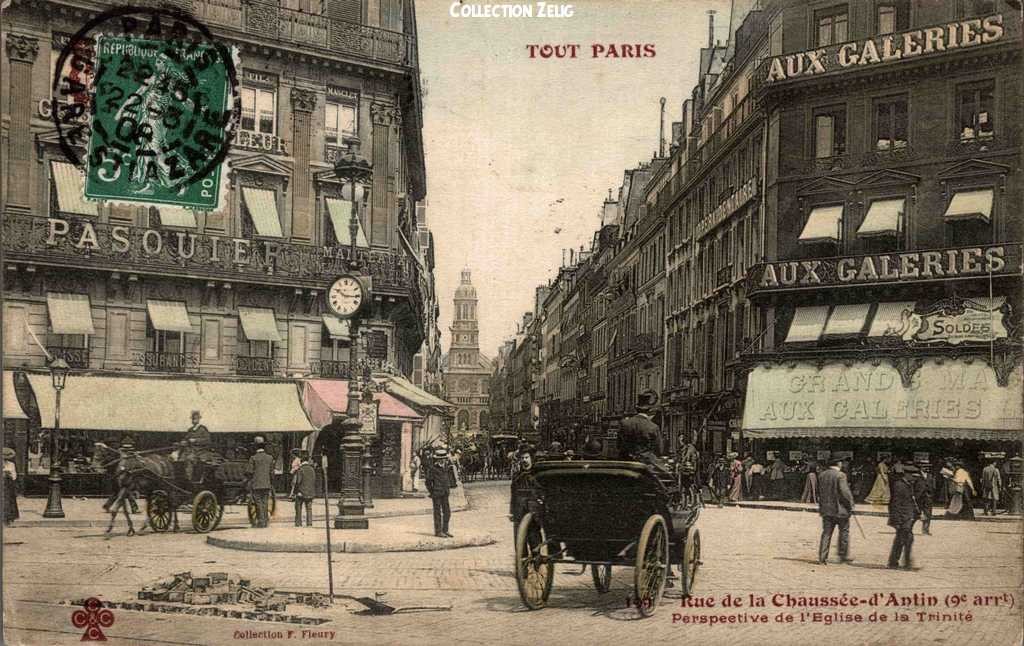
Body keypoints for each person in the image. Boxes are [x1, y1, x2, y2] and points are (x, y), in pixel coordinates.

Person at [817, 457, 855, 565]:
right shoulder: (841, 475)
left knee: (826, 533)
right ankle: (842, 556)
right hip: (840, 510)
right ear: (839, 463)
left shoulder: (822, 475)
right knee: (844, 532)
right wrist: (851, 504)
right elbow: (845, 493)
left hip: (826, 509)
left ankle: (822, 557)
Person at [888, 463, 920, 570]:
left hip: (907, 517)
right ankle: (904, 563)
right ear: (906, 474)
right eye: (913, 476)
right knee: (905, 539)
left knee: (903, 540)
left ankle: (896, 562)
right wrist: (897, 521)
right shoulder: (899, 485)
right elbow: (895, 504)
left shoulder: (908, 484)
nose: (915, 478)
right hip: (902, 518)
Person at [425, 448, 457, 538]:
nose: (443, 460)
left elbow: (449, 478)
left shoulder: (447, 467)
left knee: (447, 512)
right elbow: (428, 482)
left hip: (445, 492)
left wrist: (449, 486)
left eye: (444, 458)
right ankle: (438, 531)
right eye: (441, 458)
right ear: (438, 459)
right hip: (437, 493)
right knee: (437, 513)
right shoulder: (432, 468)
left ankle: (445, 530)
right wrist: (432, 491)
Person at [246, 437, 275, 528]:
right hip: (267, 484)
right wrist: (270, 482)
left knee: (258, 503)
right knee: (265, 502)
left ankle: (261, 522)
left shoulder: (253, 458)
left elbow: (250, 471)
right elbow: (272, 472)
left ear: (255, 447)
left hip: (256, 484)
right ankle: (265, 521)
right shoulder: (270, 458)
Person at [180, 410, 212, 482]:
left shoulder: (203, 429)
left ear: (198, 419)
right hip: (190, 451)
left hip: (200, 452)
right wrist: (183, 442)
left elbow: (208, 441)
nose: (194, 420)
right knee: (177, 459)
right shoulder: (190, 430)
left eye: (195, 419)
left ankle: (189, 480)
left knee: (189, 459)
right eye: (193, 419)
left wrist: (196, 440)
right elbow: (186, 439)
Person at [291, 454, 316, 527]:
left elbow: (298, 481)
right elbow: (314, 480)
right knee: (309, 508)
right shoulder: (312, 469)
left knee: (298, 507)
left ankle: (298, 523)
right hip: (310, 492)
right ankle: (309, 523)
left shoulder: (300, 469)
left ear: (301, 461)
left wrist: (295, 492)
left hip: (301, 492)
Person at [917, 461, 935, 535]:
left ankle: (925, 530)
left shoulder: (930, 476)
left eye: (928, 466)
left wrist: (931, 494)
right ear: (921, 467)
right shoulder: (916, 475)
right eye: (925, 466)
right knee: (915, 513)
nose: (926, 468)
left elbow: (933, 486)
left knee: (928, 513)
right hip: (918, 496)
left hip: (928, 497)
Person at [3, 447, 19, 526]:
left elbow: (14, 476)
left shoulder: (11, 464)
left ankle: (8, 519)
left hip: (8, 486)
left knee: (9, 501)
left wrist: (9, 474)